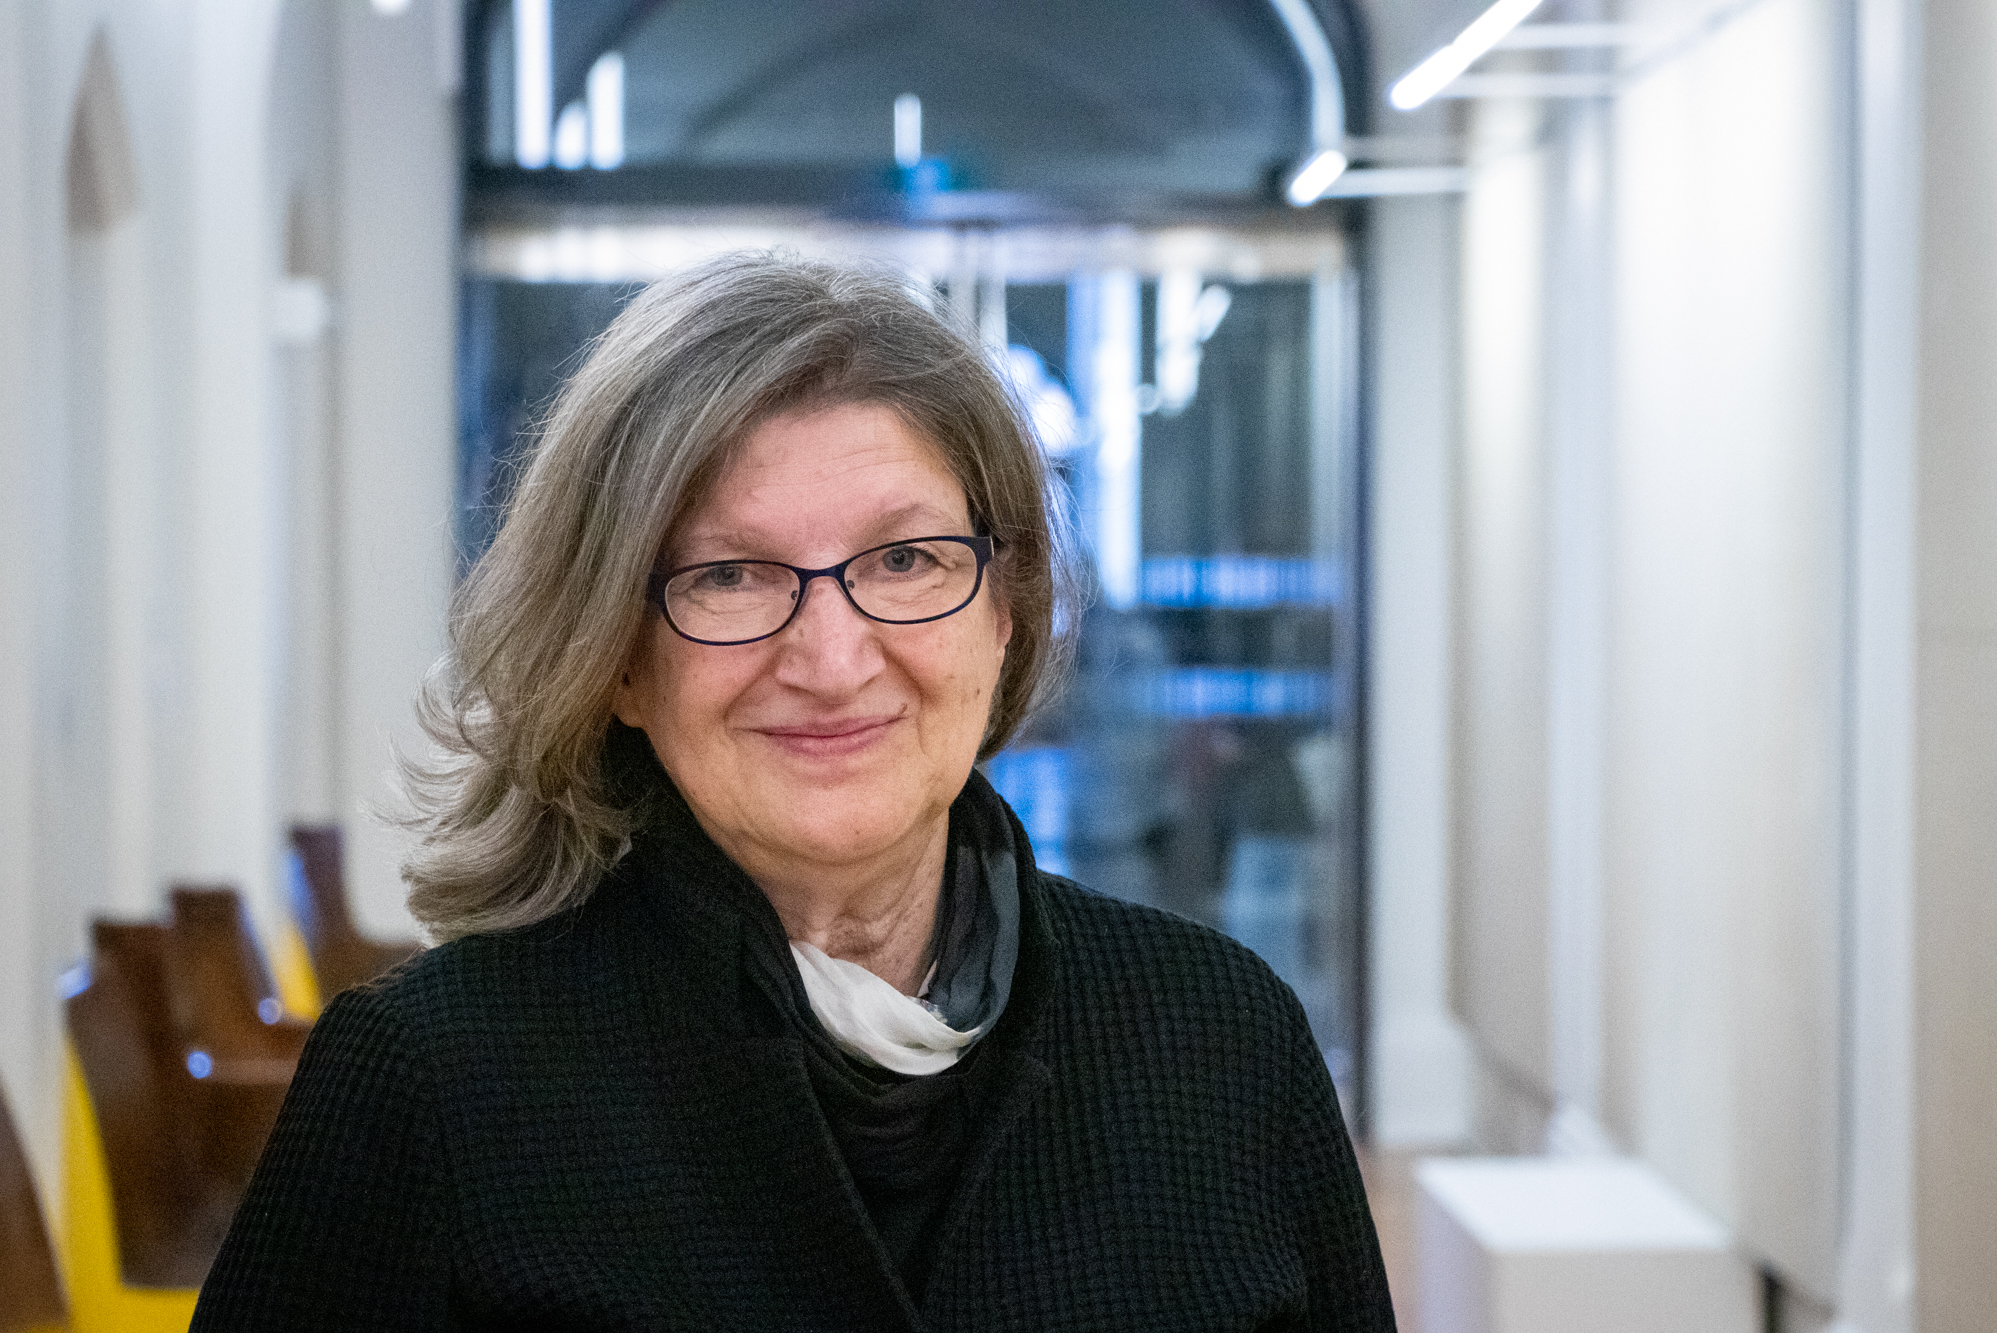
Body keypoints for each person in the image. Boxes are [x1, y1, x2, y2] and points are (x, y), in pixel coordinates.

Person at [191, 253, 1396, 1331]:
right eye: (729, 574)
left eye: (906, 559)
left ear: (1006, 611)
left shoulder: (1225, 1040)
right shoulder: (430, 1085)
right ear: (615, 655)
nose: (830, 658)